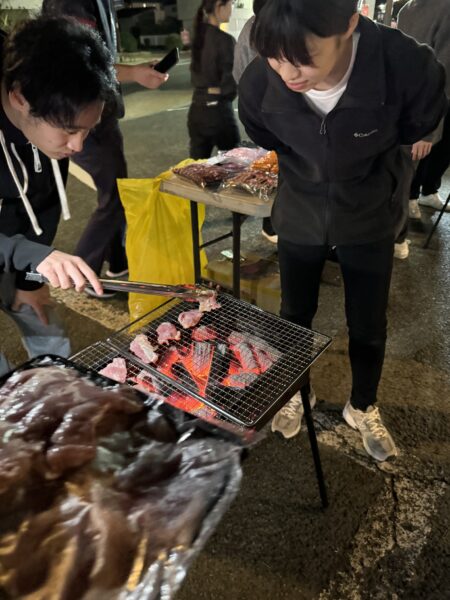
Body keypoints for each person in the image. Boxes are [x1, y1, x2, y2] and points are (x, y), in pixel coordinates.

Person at [238, 0, 446, 461]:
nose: (288, 72)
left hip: (369, 211)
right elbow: (264, 134)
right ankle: (297, 392)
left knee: (369, 323)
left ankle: (363, 404)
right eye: (275, 55)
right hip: (299, 209)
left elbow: (420, 121)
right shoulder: (259, 81)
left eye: (304, 55)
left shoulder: (406, 66)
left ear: (350, 23)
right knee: (294, 315)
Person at [0, 16, 117, 375]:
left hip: (17, 246)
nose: (77, 146)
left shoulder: (52, 113)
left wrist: (30, 279)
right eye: (68, 131)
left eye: (87, 130)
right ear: (19, 98)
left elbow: (45, 205)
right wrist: (34, 256)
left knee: (47, 327)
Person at [42, 0, 168, 298]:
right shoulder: (71, 2)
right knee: (114, 196)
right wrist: (134, 73)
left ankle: (117, 261)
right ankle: (85, 271)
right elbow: (80, 58)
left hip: (99, 115)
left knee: (114, 190)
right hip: (86, 117)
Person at [397, 0, 450, 221]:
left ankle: (398, 235)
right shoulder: (406, 9)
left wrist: (429, 131)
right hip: (407, 104)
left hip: (427, 105)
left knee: (408, 169)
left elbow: (444, 70)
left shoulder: (444, 7)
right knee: (399, 171)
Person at [233, 0, 278, 244]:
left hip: (257, 113)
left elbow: (238, 73)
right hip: (271, 114)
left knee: (270, 166)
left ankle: (271, 223)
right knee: (276, 168)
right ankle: (271, 225)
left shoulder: (249, 27)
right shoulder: (271, 26)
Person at [188, 0, 240, 159]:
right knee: (233, 166)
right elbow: (230, 86)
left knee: (196, 170)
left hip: (196, 110)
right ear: (219, 5)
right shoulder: (225, 40)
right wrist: (219, 90)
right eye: (230, 4)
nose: (231, 9)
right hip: (218, 114)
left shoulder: (198, 37)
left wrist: (208, 89)